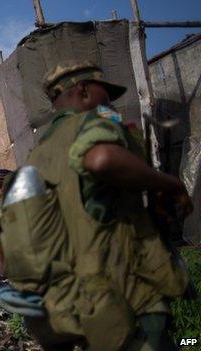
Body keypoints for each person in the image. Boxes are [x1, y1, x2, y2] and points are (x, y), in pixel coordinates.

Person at [13, 61, 191, 350]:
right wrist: (169, 183)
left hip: (74, 295)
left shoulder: (39, 153)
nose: (109, 101)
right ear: (83, 90)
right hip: (123, 283)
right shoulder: (95, 122)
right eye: (104, 93)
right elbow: (101, 159)